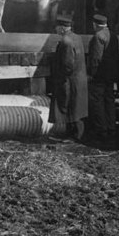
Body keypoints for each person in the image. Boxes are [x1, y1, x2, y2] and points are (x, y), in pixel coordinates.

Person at [48, 13, 89, 141]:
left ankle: (76, 136)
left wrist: (60, 77)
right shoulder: (76, 38)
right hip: (78, 79)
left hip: (69, 80)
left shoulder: (66, 41)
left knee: (70, 106)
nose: (55, 30)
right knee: (76, 107)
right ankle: (73, 134)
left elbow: (67, 65)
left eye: (56, 27)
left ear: (62, 28)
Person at [87, 14, 119, 143]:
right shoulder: (113, 35)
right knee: (109, 101)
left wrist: (91, 74)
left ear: (95, 24)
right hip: (110, 75)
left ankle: (101, 130)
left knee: (97, 102)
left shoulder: (98, 37)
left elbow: (96, 59)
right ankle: (111, 128)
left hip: (99, 76)